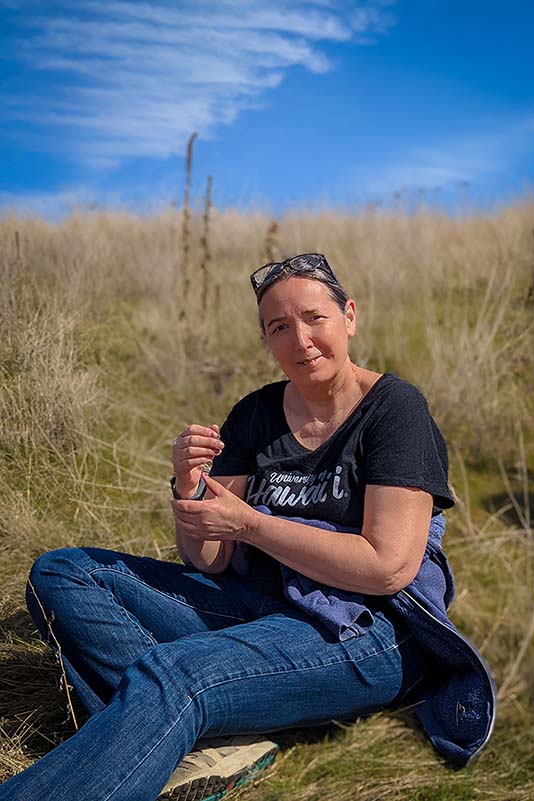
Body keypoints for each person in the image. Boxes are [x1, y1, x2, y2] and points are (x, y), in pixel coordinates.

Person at [0, 253, 495, 801]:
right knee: (63, 573)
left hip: (362, 631)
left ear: (349, 316)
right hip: (256, 600)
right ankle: (206, 736)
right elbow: (208, 558)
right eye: (279, 328)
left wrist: (254, 526)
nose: (300, 340)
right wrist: (188, 487)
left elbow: (387, 568)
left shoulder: (394, 410)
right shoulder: (254, 414)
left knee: (177, 675)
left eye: (315, 318)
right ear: (266, 339)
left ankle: (179, 712)